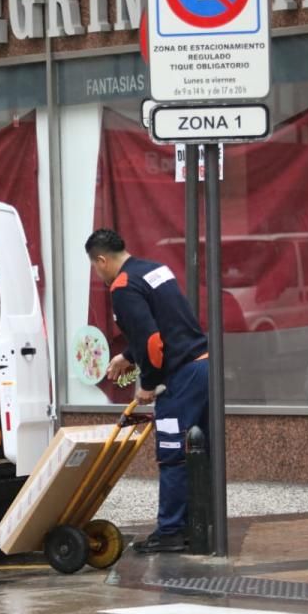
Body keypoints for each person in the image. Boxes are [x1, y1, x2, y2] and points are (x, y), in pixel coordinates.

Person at [85, 228, 209, 554]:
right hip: (202, 367)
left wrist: (148, 385)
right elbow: (166, 324)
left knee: (172, 453)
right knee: (198, 450)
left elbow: (153, 341)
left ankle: (171, 532)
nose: (98, 274)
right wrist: (126, 357)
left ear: (101, 259)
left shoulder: (123, 287)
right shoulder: (155, 269)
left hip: (180, 377)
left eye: (96, 268)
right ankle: (201, 525)